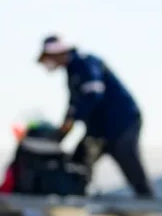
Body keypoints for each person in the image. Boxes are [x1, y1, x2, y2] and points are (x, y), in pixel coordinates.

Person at [38, 35, 154, 198]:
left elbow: (92, 95)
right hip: (99, 128)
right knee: (79, 161)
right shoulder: (72, 71)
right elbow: (74, 104)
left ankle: (148, 205)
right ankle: (78, 198)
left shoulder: (85, 63)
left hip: (122, 123)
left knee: (129, 163)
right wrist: (64, 129)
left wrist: (72, 120)